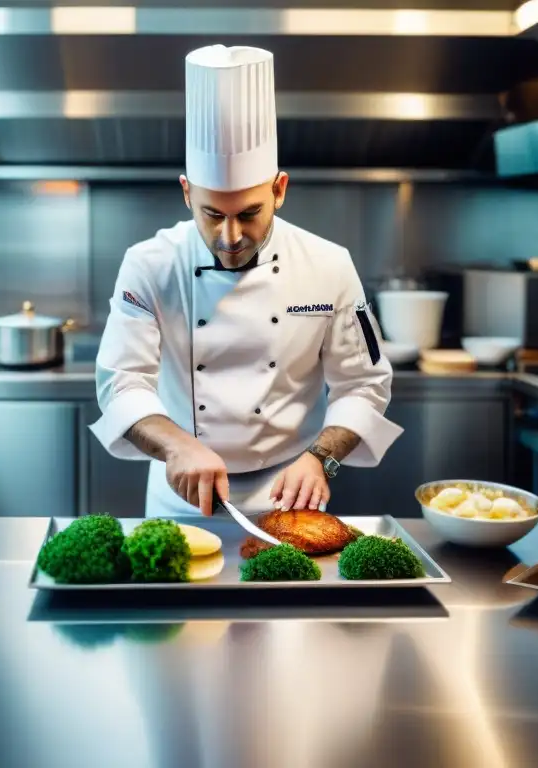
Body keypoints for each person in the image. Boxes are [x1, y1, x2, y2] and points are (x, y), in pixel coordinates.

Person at [90, 44, 402, 518]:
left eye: (249, 213)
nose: (231, 236)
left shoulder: (329, 265)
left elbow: (364, 384)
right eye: (212, 214)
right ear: (186, 192)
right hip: (182, 494)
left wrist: (323, 459)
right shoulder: (150, 265)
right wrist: (177, 445)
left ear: (279, 189)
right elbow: (121, 383)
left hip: (294, 492)